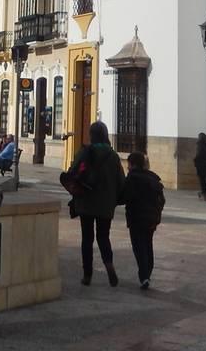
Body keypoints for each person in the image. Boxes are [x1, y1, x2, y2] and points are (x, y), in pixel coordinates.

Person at [61, 120, 124, 287]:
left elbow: (72, 172)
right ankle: (109, 265)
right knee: (103, 237)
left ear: (92, 135)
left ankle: (87, 274)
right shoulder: (113, 156)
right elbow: (121, 181)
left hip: (86, 201)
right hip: (105, 204)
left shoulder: (85, 152)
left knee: (87, 238)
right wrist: (115, 199)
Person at [118, 150, 165, 290]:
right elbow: (162, 200)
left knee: (139, 247)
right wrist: (156, 212)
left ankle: (144, 276)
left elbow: (124, 197)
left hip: (136, 218)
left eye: (128, 164)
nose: (127, 167)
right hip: (151, 218)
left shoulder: (132, 179)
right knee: (148, 244)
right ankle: (147, 274)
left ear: (132, 164)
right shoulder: (153, 178)